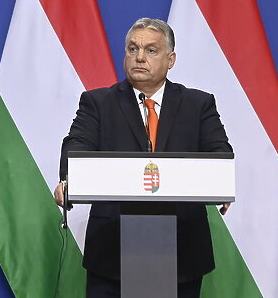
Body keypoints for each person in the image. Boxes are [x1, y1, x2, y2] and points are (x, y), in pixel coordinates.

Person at [53, 18, 231, 298]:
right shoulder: (97, 103)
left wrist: (219, 183)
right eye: (133, 49)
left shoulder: (199, 104)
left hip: (181, 248)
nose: (139, 57)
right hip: (113, 249)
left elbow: (220, 153)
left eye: (151, 50)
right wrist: (69, 180)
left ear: (170, 59)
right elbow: (76, 146)